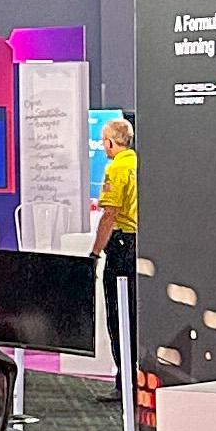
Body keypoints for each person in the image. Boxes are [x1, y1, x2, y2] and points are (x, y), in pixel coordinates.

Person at [90, 117, 137, 395]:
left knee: (118, 315)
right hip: (140, 247)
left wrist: (95, 252)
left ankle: (124, 382)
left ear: (109, 142)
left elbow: (110, 215)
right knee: (135, 315)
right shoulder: (139, 164)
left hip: (121, 248)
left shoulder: (116, 169)